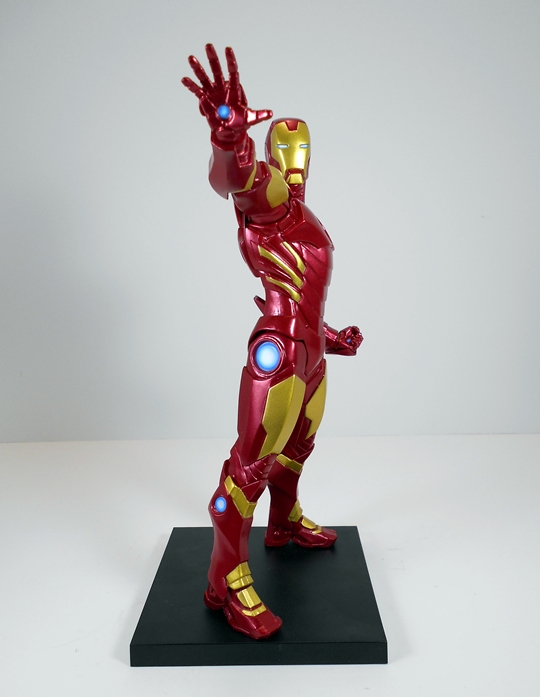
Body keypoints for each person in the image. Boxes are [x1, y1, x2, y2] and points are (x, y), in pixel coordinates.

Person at [182, 44, 363, 639]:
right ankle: (226, 577)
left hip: (310, 352)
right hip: (280, 353)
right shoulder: (271, 206)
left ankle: (284, 523)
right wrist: (230, 141)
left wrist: (332, 337)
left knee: (297, 448)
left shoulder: (302, 217)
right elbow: (235, 182)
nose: (296, 165)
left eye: (302, 153)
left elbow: (306, 299)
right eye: (286, 154)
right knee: (248, 467)